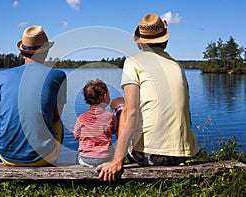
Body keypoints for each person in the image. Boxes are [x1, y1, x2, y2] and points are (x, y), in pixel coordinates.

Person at [96, 14, 199, 181]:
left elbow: (131, 112)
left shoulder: (133, 63)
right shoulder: (177, 66)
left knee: (119, 104)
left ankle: (115, 156)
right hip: (183, 153)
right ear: (165, 40)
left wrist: (117, 160)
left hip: (149, 156)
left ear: (139, 42)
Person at [0, 25, 67, 166]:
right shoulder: (58, 75)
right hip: (41, 158)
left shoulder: (3, 75)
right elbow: (56, 117)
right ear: (46, 52)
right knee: (58, 123)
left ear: (21, 53)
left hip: (6, 155)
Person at [73, 80, 118, 167]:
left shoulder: (81, 118)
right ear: (105, 97)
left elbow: (76, 135)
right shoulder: (110, 117)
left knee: (78, 155)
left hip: (85, 158)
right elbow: (114, 130)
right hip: (105, 158)